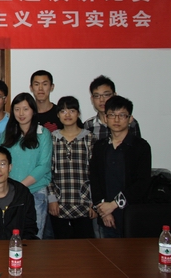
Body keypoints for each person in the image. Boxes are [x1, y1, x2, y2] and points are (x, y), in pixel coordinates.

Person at [90, 96, 151, 238]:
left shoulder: (140, 147)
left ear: (130, 119)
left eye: (122, 115)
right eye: (112, 115)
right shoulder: (100, 147)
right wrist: (104, 211)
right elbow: (95, 180)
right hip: (107, 215)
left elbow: (142, 183)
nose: (116, 120)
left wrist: (114, 205)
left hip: (133, 215)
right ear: (106, 118)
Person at [0, 92, 52, 239]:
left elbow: (44, 166)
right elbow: (2, 161)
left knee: (34, 238)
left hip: (35, 193)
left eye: (25, 109)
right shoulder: (7, 134)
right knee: (10, 236)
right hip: (10, 194)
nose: (21, 113)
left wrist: (20, 187)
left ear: (33, 111)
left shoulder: (43, 134)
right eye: (17, 109)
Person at [47, 96, 96, 239]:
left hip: (84, 204)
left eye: (72, 111)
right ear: (58, 115)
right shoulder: (52, 139)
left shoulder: (89, 138)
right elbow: (48, 171)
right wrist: (51, 199)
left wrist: (94, 202)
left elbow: (96, 173)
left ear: (78, 113)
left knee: (85, 247)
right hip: (58, 204)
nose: (67, 115)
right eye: (63, 111)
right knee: (61, 248)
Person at [83, 75, 142, 141]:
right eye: (97, 96)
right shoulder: (88, 125)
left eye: (106, 95)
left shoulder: (130, 122)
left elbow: (138, 145)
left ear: (114, 95)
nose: (101, 100)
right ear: (92, 99)